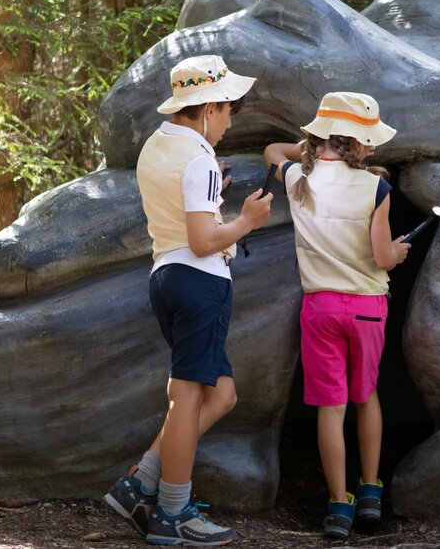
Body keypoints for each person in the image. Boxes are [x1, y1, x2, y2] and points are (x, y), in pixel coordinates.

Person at [105, 54, 272, 546]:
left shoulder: (158, 146)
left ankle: (139, 485)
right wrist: (246, 221)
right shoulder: (198, 160)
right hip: (199, 279)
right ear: (208, 108)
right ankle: (172, 512)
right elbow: (203, 240)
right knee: (185, 397)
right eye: (227, 111)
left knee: (220, 395)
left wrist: (208, 181)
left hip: (166, 276)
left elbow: (178, 211)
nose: (229, 121)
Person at [263, 91, 410, 540]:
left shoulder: (296, 179)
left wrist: (307, 149)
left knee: (332, 407)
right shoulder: (377, 187)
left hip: (320, 307)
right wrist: (401, 252)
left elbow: (272, 151)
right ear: (358, 142)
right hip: (367, 308)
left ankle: (338, 506)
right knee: (366, 396)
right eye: (368, 140)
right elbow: (383, 257)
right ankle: (370, 492)